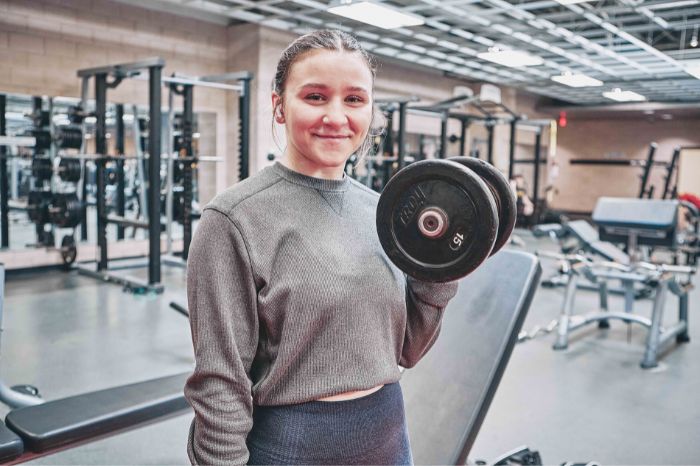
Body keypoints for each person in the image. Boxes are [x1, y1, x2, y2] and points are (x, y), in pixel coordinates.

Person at [184, 29, 459, 465]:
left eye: (354, 99)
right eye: (315, 96)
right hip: (293, 445)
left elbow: (407, 348)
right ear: (279, 106)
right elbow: (220, 383)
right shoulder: (233, 219)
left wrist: (442, 269)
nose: (336, 116)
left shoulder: (383, 213)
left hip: (387, 434)